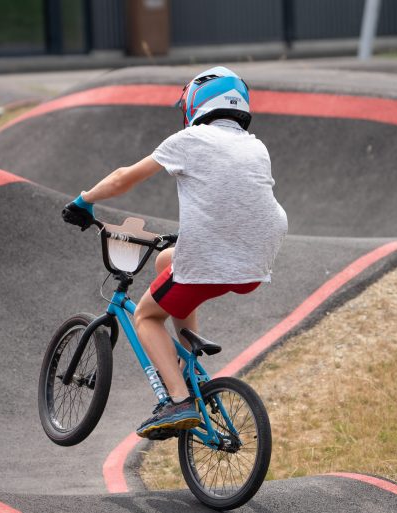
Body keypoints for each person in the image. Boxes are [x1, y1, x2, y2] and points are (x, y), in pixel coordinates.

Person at [62, 66, 287, 439]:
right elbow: (238, 198)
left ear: (196, 102)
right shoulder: (255, 145)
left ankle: (178, 402)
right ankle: (189, 355)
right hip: (259, 259)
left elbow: (123, 178)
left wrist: (83, 201)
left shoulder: (189, 139)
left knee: (147, 318)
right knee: (169, 261)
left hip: (212, 257)